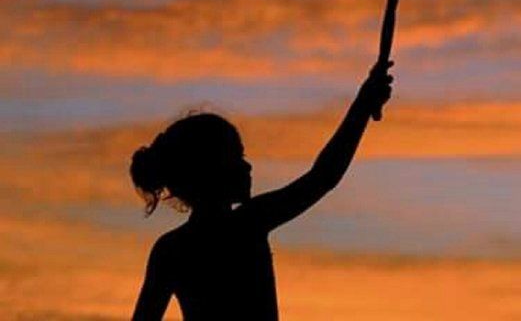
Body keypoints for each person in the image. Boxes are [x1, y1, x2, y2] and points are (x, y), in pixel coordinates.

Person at [129, 63, 393, 320]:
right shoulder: (248, 223)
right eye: (234, 156)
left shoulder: (170, 249)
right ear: (207, 169)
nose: (247, 165)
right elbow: (324, 176)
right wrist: (362, 104)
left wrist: (364, 102)